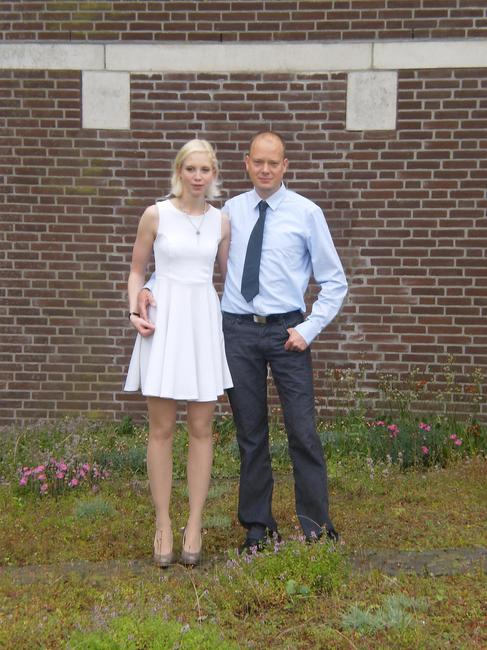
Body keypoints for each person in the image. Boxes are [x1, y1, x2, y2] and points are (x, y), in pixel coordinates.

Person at [139, 131, 347, 553]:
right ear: (247, 164)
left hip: (288, 332)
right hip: (236, 331)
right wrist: (149, 286)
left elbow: (335, 281)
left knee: (302, 430)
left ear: (285, 166)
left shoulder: (307, 213)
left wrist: (308, 329)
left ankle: (316, 528)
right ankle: (258, 528)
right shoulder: (228, 213)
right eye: (259, 162)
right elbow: (186, 258)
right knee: (250, 434)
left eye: (274, 163)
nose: (266, 170)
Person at [123, 139, 232, 567]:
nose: (198, 176)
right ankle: (164, 523)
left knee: (202, 427)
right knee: (162, 428)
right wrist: (136, 307)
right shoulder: (156, 214)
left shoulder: (221, 222)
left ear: (214, 174)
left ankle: (195, 523)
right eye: (191, 169)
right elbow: (137, 270)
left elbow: (229, 278)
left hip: (202, 321)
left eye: (205, 169)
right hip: (164, 322)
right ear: (179, 171)